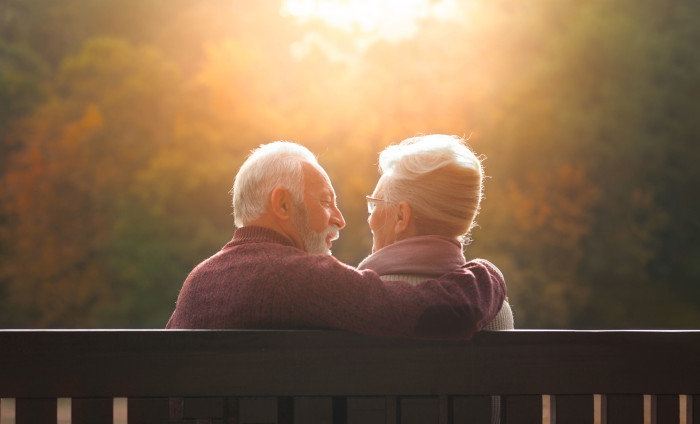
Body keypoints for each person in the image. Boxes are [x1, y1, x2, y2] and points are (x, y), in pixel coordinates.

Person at [166, 141, 507, 340]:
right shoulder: (296, 277)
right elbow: (435, 313)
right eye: (326, 201)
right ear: (283, 204)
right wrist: (488, 275)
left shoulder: (197, 281)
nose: (340, 219)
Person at [357, 134, 513, 422]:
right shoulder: (497, 308)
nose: (369, 218)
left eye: (374, 204)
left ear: (402, 217)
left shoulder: (362, 302)